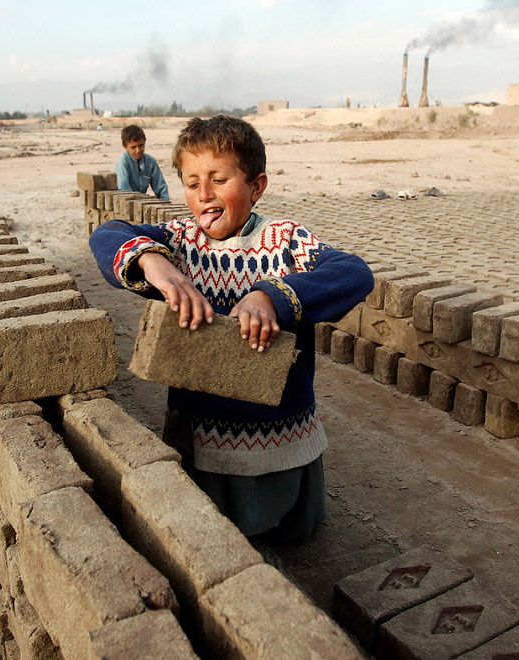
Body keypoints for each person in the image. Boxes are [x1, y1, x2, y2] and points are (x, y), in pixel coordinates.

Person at [90, 115, 373, 544]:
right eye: (191, 183)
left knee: (289, 535)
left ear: (256, 186)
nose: (204, 194)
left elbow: (353, 273)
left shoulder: (284, 240)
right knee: (212, 532)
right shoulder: (180, 242)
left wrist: (271, 296)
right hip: (201, 427)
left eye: (219, 180)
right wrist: (154, 263)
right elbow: (108, 234)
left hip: (279, 425)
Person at [114, 124, 169, 200]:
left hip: (142, 201)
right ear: (125, 147)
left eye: (141, 146)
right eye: (133, 147)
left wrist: (165, 202)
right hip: (126, 201)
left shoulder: (150, 162)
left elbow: (160, 187)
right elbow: (123, 188)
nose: (138, 150)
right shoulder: (123, 161)